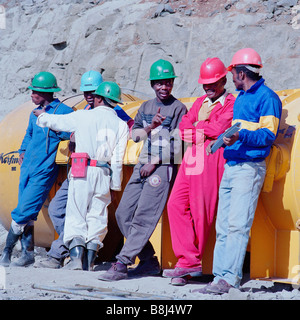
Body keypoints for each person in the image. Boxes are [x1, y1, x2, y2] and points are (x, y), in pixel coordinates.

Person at [197, 48, 282, 294]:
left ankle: (230, 279)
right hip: (232, 165)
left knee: (237, 225)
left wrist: (239, 135)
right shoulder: (242, 97)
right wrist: (228, 139)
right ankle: (218, 277)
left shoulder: (268, 98)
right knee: (224, 225)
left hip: (249, 168)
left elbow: (268, 135)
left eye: (233, 72)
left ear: (242, 73)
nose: (231, 77)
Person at [98, 59, 187, 282]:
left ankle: (122, 262)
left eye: (167, 82)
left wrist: (154, 162)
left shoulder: (179, 109)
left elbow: (180, 143)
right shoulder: (146, 107)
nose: (163, 87)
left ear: (173, 83)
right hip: (142, 164)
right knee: (123, 213)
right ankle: (148, 261)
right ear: (152, 85)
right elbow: (135, 135)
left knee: (144, 216)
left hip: (162, 167)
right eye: (159, 83)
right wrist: (151, 126)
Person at [34, 71, 133, 270]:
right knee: (97, 215)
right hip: (104, 173)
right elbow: (117, 159)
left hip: (82, 170)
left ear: (98, 98)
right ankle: (90, 261)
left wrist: (42, 116)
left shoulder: (82, 116)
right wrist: (115, 185)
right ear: (115, 103)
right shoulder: (121, 125)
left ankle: (76, 260)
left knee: (76, 213)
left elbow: (57, 122)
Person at [162, 58, 235, 286]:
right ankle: (189, 260)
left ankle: (187, 265)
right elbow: (183, 128)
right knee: (176, 204)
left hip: (212, 158)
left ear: (224, 80)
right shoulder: (199, 102)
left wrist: (199, 128)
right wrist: (203, 131)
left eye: (213, 83)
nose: (208, 87)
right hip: (192, 156)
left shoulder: (232, 102)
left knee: (202, 212)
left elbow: (221, 128)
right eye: (205, 84)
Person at [0, 71, 73, 267]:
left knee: (23, 211)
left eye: (35, 92)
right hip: (28, 168)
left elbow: (70, 133)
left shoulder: (64, 111)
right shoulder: (34, 113)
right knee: (29, 213)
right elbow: (29, 133)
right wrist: (23, 149)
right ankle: (27, 254)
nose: (31, 95)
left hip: (44, 170)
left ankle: (6, 253)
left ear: (46, 93)